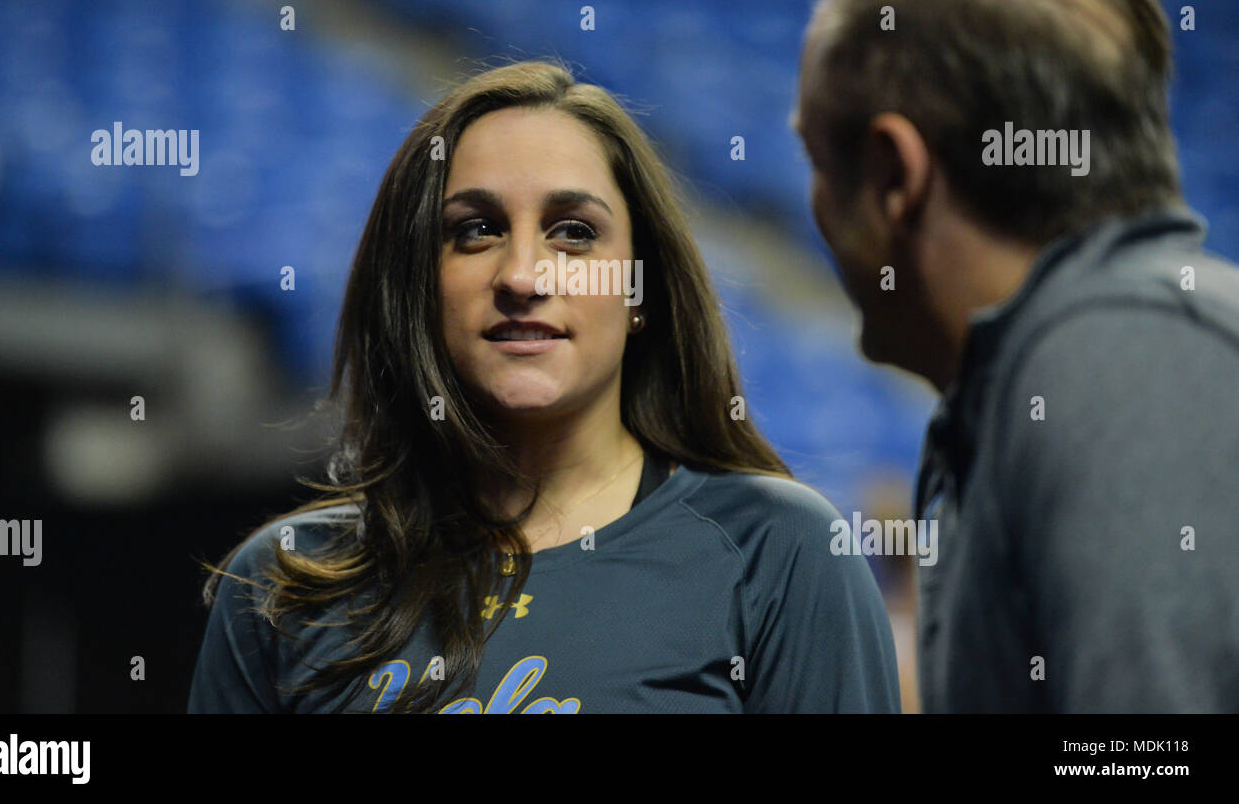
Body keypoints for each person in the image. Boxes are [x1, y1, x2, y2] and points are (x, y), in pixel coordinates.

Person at [189, 60, 900, 713]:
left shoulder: (780, 552)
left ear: (637, 289)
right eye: (475, 230)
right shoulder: (286, 585)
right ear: (417, 288)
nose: (525, 276)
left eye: (574, 231)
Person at [792, 0, 1239, 712]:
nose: (811, 204)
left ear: (893, 176)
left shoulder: (1116, 359)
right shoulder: (1049, 375)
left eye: (815, 157)